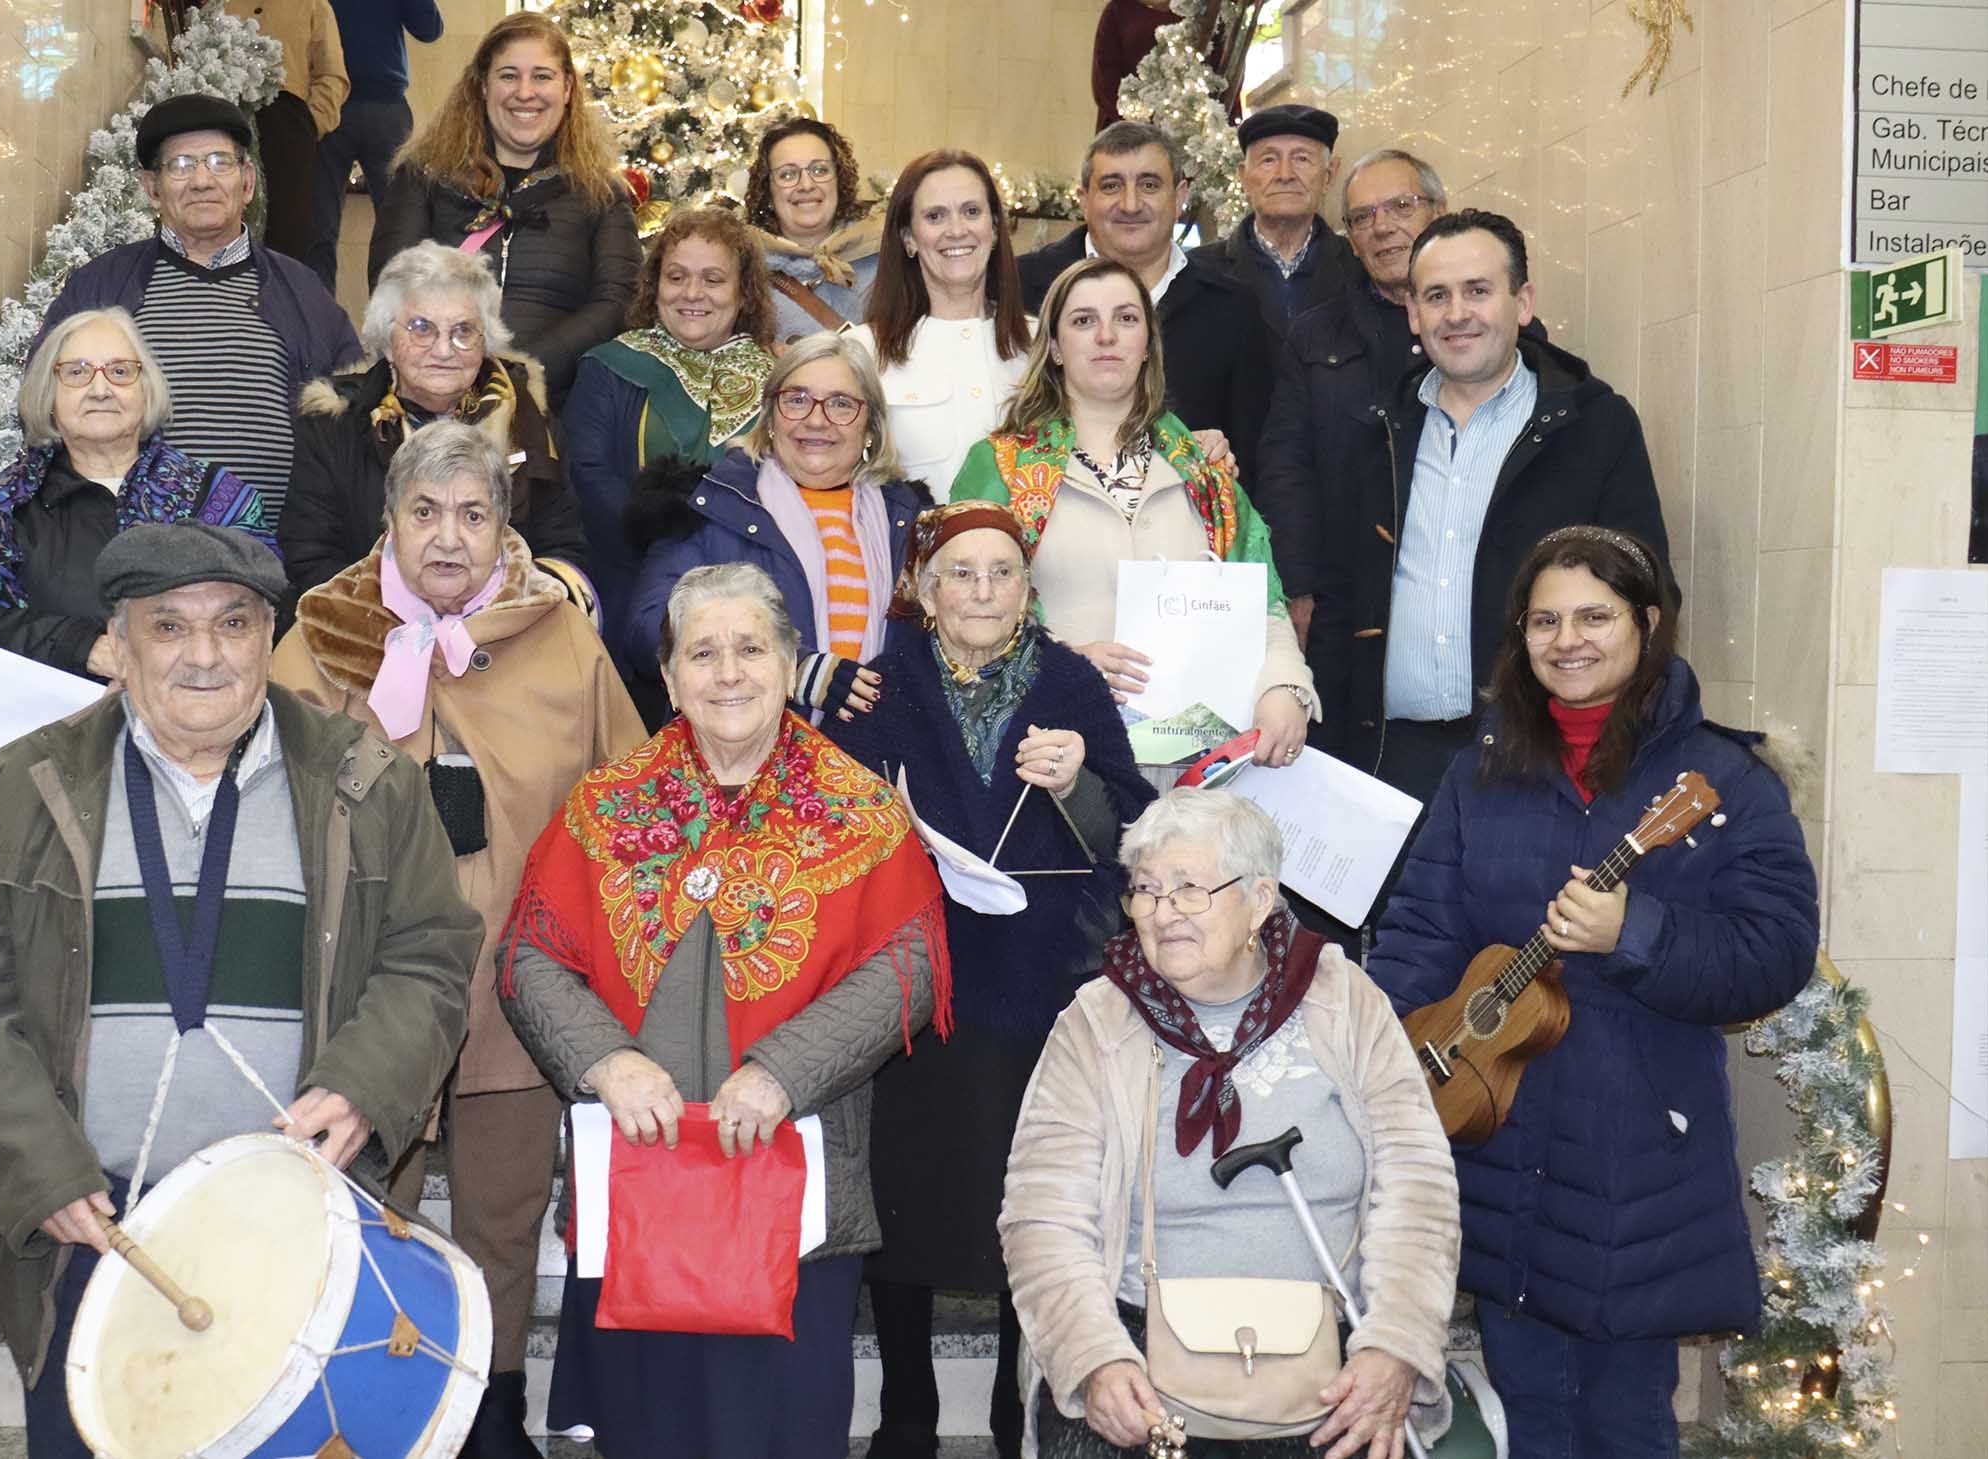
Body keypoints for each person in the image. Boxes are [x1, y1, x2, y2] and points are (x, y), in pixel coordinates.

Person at [0, 523, 479, 1459]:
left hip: (301, 1222)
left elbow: (432, 951)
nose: (205, 655)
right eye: (168, 627)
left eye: (233, 623)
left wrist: (367, 1085)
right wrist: (40, 1172)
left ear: (270, 638)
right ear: (119, 644)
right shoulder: (14, 790)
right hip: (95, 1234)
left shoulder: (366, 780)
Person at [1368, 527, 1816, 1459]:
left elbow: (1776, 952)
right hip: (1499, 1141)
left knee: (1623, 1424)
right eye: (1544, 620)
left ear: (1649, 623)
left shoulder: (1725, 779)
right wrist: (1399, 1054)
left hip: (1636, 1163)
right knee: (1522, 1411)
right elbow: (1419, 924)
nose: (1567, 639)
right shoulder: (1483, 769)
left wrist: (1636, 932)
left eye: (1594, 615)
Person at [499, 561, 950, 1459]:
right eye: (702, 652)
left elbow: (912, 964)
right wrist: (605, 1061)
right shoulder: (606, 805)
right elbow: (527, 956)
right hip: (641, 1182)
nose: (729, 671)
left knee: (779, 1428)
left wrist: (785, 1070)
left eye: (751, 648)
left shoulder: (857, 806)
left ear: (790, 664)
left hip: (792, 1188)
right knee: (649, 1427)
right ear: (667, 678)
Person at [271, 422, 646, 1456]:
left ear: (503, 528)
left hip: (513, 986)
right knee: (359, 1208)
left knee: (503, 1211)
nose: (448, 537)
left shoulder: (560, 639)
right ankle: (361, 1409)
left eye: (474, 515)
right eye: (425, 512)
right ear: (388, 521)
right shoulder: (319, 639)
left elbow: (629, 805)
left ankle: (493, 1410)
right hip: (367, 995)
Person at [823, 502, 1157, 1459]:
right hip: (910, 982)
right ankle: (908, 1412)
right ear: (925, 592)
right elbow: (830, 829)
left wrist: (1076, 779)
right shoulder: (881, 686)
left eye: (1001, 572)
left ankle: (1024, 1404)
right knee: (905, 1194)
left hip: (1036, 979)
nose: (981, 589)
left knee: (1032, 1196)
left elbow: (1123, 835)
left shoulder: (1071, 683)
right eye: (960, 573)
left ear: (1028, 588)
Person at [1001, 789, 1459, 1459]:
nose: (1163, 913)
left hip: (1329, 1367)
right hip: (1140, 1361)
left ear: (1260, 897)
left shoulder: (1343, 998)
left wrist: (1394, 1343)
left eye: (1189, 889)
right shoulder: (1097, 1020)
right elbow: (1042, 1216)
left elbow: (1418, 1186)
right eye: (1147, 891)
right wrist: (1094, 1359)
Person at [1315, 209, 1665, 806]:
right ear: (1413, 315)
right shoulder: (1373, 433)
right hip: (1390, 765)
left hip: (1544, 757)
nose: (1456, 314)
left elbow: (1647, 592)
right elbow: (1337, 601)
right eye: (1436, 295)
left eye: (1478, 291)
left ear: (1522, 302)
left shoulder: (1594, 427)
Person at [951, 257, 1316, 773]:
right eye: (1083, 321)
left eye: (1125, 318)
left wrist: (1285, 689)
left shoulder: (1202, 466)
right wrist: (1062, 664)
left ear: (1147, 343)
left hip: (1198, 770)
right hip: (1047, 759)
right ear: (1053, 347)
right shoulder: (1000, 466)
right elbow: (955, 614)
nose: (1106, 336)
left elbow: (1265, 605)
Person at [40, 94, 363, 530]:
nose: (201, 181)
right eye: (180, 166)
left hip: (273, 561)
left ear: (247, 183)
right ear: (152, 189)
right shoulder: (100, 286)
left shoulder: (304, 292)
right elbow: (45, 400)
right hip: (130, 556)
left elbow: (353, 422)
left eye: (218, 162)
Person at [0, 306, 271, 689]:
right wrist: (84, 647)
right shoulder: (2, 508)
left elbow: (260, 615)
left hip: (201, 728)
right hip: (51, 736)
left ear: (146, 390)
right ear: (48, 396)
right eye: (77, 373)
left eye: (120, 372)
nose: (100, 390)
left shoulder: (215, 496)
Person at [624, 332, 926, 723]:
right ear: (770, 419)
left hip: (875, 759)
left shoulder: (905, 519)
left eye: (840, 404)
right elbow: (646, 633)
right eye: (796, 400)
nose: (817, 420)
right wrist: (793, 669)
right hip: (738, 757)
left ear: (870, 428)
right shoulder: (710, 506)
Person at [279, 242, 591, 607]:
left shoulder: (529, 420)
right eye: (421, 328)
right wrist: (411, 621)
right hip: (367, 633)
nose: (444, 350)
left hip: (505, 634)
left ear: (485, 342)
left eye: (463, 331)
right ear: (389, 341)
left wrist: (489, 617)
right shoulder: (333, 425)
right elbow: (310, 558)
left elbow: (563, 548)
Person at [1248, 148, 1449, 672]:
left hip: (1452, 593)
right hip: (1343, 601)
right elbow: (1286, 469)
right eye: (1363, 217)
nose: (1382, 228)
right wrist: (1296, 588)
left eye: (1401, 207)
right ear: (1352, 240)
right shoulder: (1315, 336)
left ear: (1440, 214)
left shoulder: (1485, 333)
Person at [368, 11, 640, 396]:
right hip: (435, 397)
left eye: (542, 76)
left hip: (555, 405)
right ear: (482, 86)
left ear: (567, 89)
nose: (524, 92)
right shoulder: (423, 177)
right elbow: (392, 286)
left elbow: (617, 303)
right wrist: (458, 366)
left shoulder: (602, 193)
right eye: (509, 75)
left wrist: (522, 370)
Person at [563, 208, 779, 670]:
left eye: (713, 279)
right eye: (676, 276)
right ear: (654, 285)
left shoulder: (779, 383)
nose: (692, 294)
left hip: (751, 602)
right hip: (631, 593)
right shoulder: (608, 366)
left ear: (743, 294)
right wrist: (666, 548)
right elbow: (588, 474)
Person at [1016, 123, 1274, 472]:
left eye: (1149, 185)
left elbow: (1254, 450)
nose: (1131, 204)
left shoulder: (1232, 309)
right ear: (1083, 200)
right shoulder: (1022, 289)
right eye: (1111, 186)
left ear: (1180, 196)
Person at [866, 149, 1036, 500]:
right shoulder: (863, 351)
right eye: (935, 216)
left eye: (971, 212)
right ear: (908, 238)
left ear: (994, 227)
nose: (956, 230)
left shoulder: (1044, 344)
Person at [1189, 104, 1364, 334]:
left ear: (1328, 176)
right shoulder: (1198, 274)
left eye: (1301, 159)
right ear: (1244, 177)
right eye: (1268, 160)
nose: (1285, 175)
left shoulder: (1361, 270)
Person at [308, 0, 442, 295]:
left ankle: (391, 325)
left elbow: (429, 30)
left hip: (345, 104)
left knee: (397, 227)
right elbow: (430, 29)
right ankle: (389, 325)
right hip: (342, 105)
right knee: (395, 228)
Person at [219, 0, 348, 267]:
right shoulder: (221, 4)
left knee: (286, 232)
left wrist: (310, 124)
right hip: (226, 123)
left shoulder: (314, 5)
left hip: (287, 126)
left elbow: (332, 75)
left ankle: (279, 303)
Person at [743, 117, 886, 343]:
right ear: (768, 192)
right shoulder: (745, 267)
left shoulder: (883, 257)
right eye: (787, 174)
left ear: (839, 180)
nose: (806, 185)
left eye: (819, 170)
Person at [1091, 0, 1182, 131]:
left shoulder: (1195, 9)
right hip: (1126, 131)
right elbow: (1104, 81)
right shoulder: (1118, 10)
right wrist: (1138, 121)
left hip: (1184, 129)